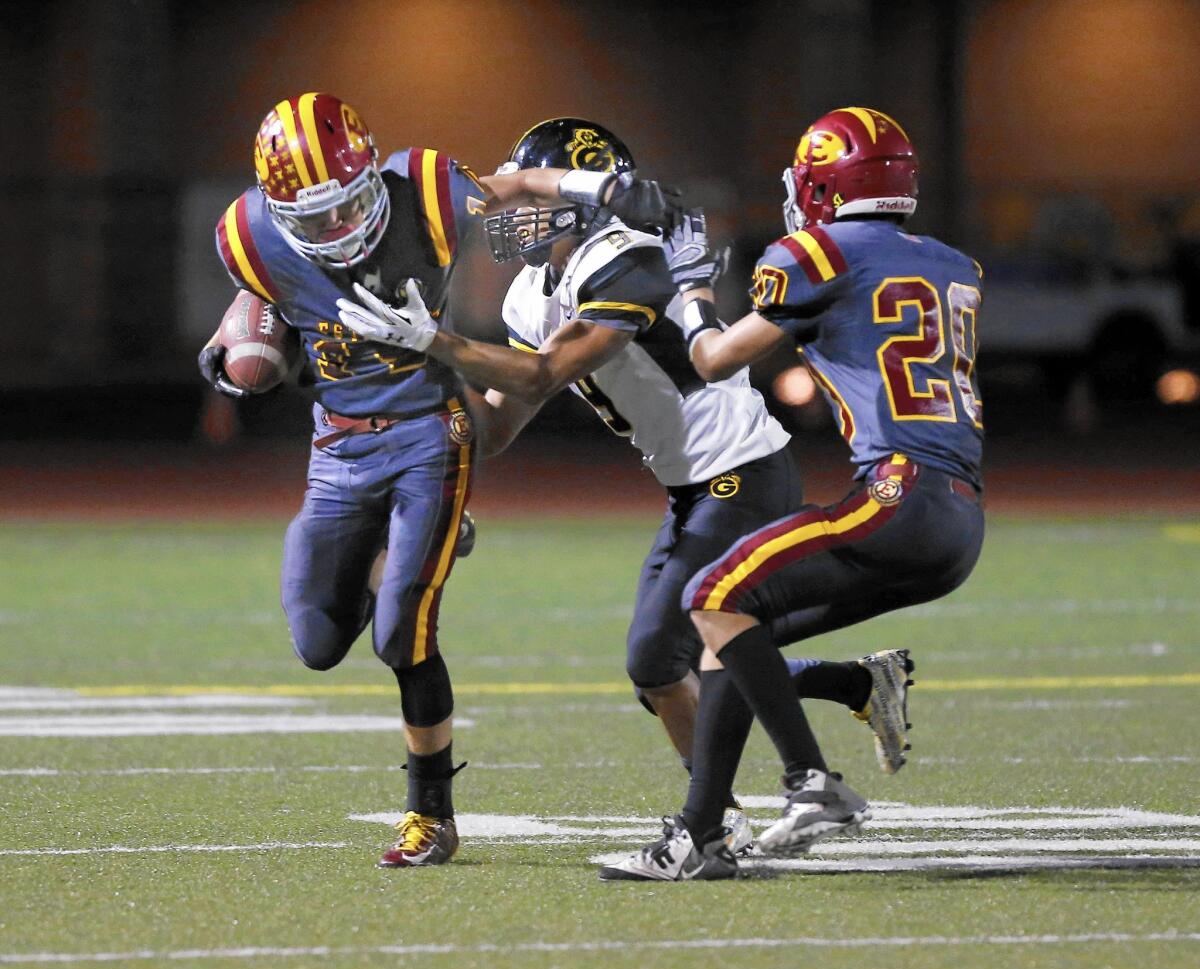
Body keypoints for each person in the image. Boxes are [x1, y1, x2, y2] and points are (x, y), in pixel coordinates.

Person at [334, 117, 912, 854]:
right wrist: (424, 378)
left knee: (656, 658)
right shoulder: (528, 296)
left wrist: (439, 342)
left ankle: (741, 811)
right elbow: (497, 428)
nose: (516, 213)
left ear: (588, 202)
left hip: (742, 473)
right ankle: (845, 692)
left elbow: (543, 373)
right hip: (695, 487)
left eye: (538, 193)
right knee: (664, 668)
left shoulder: (627, 259)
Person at [197, 93, 681, 869]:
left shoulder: (420, 187)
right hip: (337, 451)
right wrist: (235, 359)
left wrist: (605, 191)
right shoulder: (247, 235)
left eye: (346, 206)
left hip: (431, 433)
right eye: (311, 216)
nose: (333, 229)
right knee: (318, 641)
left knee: (401, 635)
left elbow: (519, 185)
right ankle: (417, 542)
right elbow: (265, 312)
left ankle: (431, 815)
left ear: (369, 177)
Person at [601, 106, 986, 880]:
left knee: (710, 592)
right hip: (960, 516)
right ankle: (699, 837)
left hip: (895, 495)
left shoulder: (816, 249)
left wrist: (691, 286)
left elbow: (711, 360)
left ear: (822, 186)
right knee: (733, 634)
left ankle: (809, 782)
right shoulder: (952, 262)